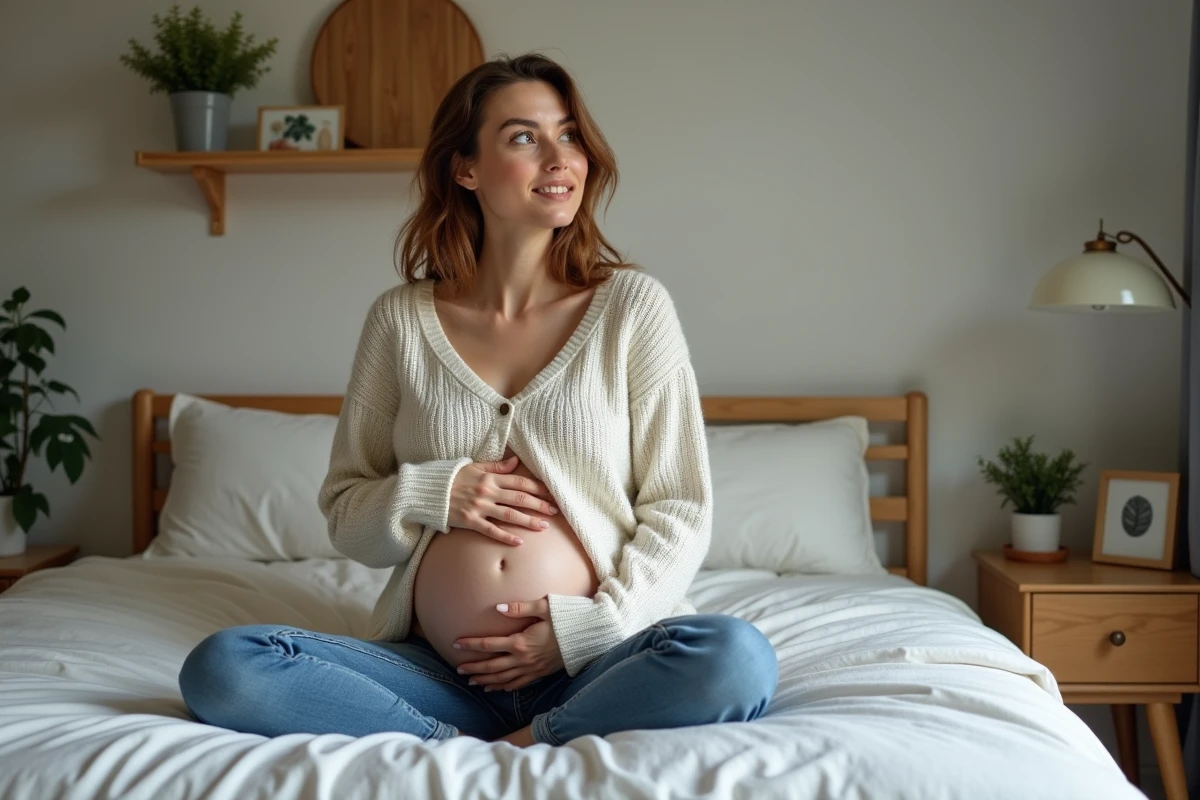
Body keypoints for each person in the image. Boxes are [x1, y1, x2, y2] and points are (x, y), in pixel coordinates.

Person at [178, 52, 778, 747]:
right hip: (434, 672)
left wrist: (586, 630)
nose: (560, 158)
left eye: (570, 134)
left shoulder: (632, 309)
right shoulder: (399, 321)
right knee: (225, 668)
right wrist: (438, 491)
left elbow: (681, 505)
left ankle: (524, 737)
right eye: (524, 137)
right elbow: (347, 515)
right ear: (465, 168)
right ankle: (470, 736)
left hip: (596, 661)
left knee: (736, 660)